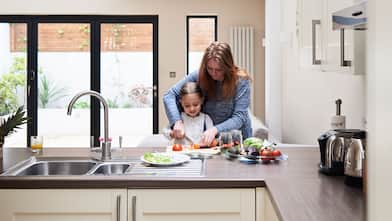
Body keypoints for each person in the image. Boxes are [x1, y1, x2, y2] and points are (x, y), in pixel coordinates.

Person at [163, 41, 252, 146]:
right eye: (210, 69)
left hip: (236, 140)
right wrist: (177, 121)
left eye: (219, 69)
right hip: (208, 143)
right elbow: (169, 95)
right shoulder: (199, 75)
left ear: (228, 66)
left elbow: (240, 117)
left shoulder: (241, 81)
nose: (213, 74)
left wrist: (215, 130)